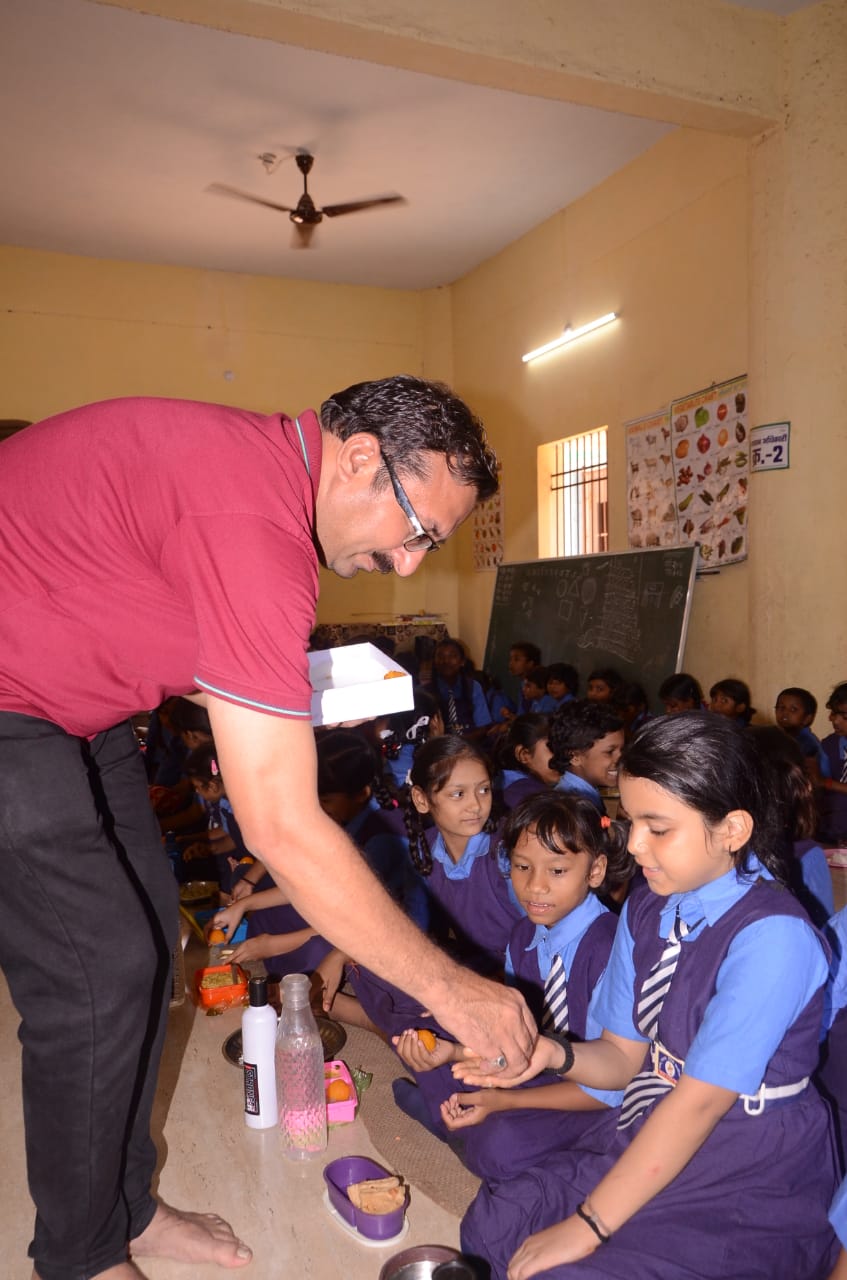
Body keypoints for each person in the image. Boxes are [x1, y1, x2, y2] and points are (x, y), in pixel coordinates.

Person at [0, 375, 537, 1280]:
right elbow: (280, 828)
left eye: (428, 545)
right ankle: (80, 1256)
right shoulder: (252, 524)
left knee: (150, 938)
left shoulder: (258, 485)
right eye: (415, 530)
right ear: (359, 458)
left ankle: (125, 1209)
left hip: (83, 709)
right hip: (14, 702)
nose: (408, 564)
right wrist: (453, 991)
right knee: (96, 971)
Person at [457, 713, 839, 1280]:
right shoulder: (649, 906)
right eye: (632, 820)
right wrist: (549, 1052)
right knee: (495, 1222)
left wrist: (589, 1224)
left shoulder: (773, 937)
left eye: (657, 828)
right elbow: (622, 1057)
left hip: (743, 1163)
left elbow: (699, 1104)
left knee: (569, 1267)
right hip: (653, 1119)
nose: (633, 844)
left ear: (733, 830)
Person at [439, 792, 629, 1180]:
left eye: (557, 871)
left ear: (595, 871)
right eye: (523, 867)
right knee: (448, 1072)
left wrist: (504, 1102)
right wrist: (457, 1052)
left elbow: (606, 1090)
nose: (535, 886)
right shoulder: (522, 935)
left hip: (600, 1096)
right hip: (543, 1067)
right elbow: (521, 1036)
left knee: (499, 1144)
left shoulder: (608, 948)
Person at [549, 701, 624, 814]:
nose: (621, 758)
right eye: (609, 752)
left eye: (622, 749)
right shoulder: (575, 807)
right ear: (574, 757)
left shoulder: (583, 792)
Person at [497, 713, 561, 810]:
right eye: (552, 748)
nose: (562, 757)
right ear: (524, 755)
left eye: (563, 749)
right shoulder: (528, 796)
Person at [431, 636, 492, 736]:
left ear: (462, 661)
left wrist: (459, 743)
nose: (446, 661)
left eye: (452, 656)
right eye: (440, 656)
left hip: (471, 741)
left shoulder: (473, 687)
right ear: (434, 661)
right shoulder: (426, 691)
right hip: (439, 743)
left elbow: (482, 727)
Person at [817, 682, 847, 844]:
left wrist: (827, 783)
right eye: (834, 713)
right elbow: (820, 783)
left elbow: (824, 782)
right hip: (834, 826)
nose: (835, 720)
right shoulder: (828, 745)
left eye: (844, 716)